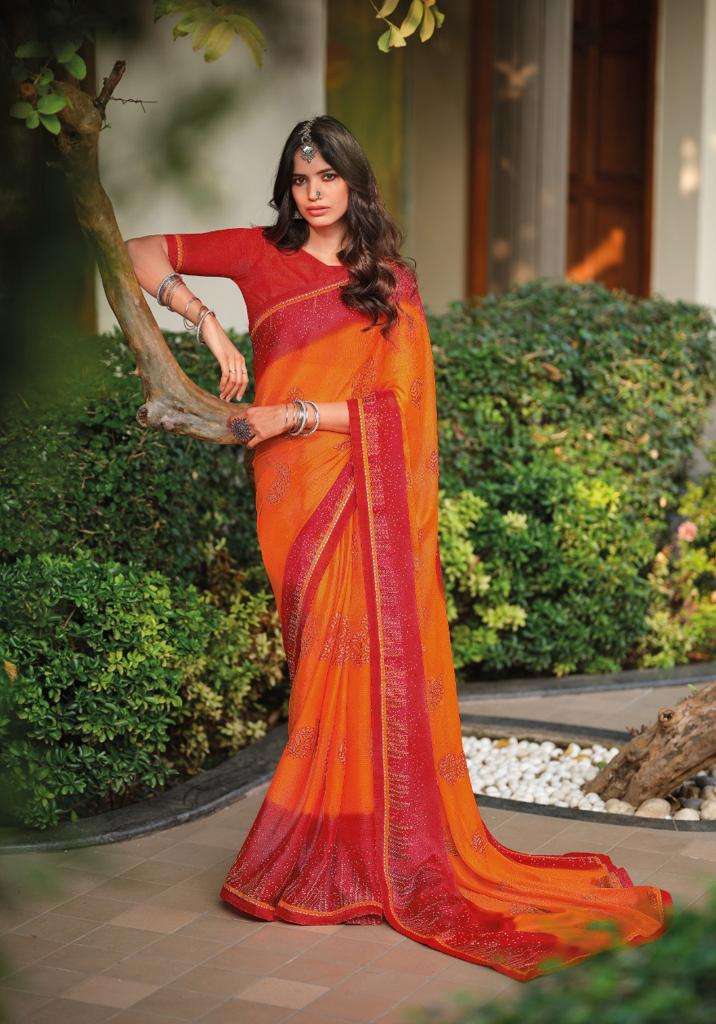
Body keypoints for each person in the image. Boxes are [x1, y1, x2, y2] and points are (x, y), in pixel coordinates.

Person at [126, 115, 672, 982]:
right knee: (318, 666)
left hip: (350, 483)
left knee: (349, 672)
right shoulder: (259, 254)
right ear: (288, 187)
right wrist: (209, 325)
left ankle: (347, 850)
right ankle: (330, 840)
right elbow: (138, 250)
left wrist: (291, 412)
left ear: (353, 183)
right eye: (300, 179)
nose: (314, 193)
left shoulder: (386, 281)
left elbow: (402, 414)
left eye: (327, 178)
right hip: (292, 501)